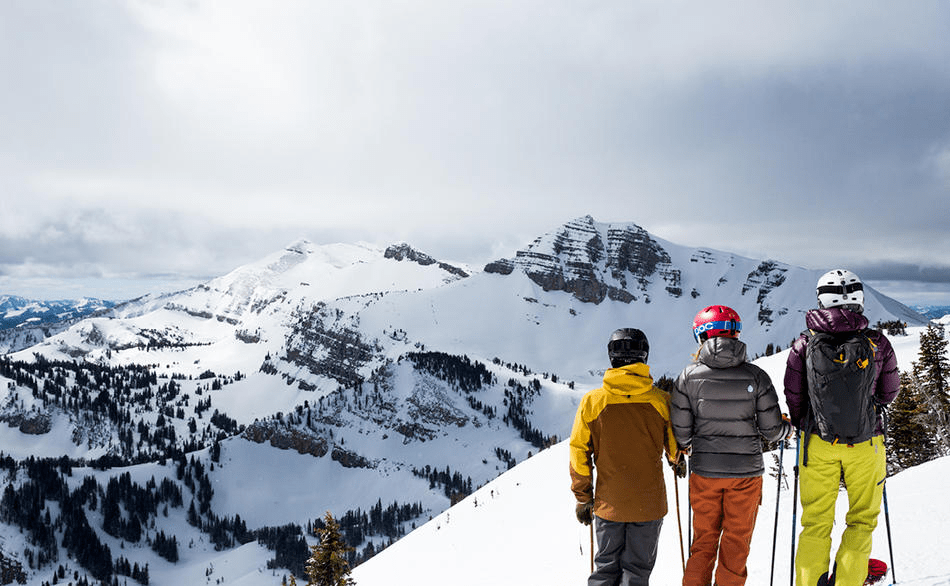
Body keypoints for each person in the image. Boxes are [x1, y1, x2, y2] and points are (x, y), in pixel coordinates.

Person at [784, 269, 900, 586]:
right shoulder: (877, 342)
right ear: (859, 299)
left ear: (822, 299)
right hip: (867, 442)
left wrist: (805, 422)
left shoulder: (804, 344)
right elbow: (889, 392)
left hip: (817, 443)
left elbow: (794, 395)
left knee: (816, 522)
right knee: (862, 520)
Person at [671, 305, 791, 586]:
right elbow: (772, 431)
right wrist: (787, 428)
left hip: (705, 473)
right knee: (736, 544)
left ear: (700, 336)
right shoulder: (756, 376)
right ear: (736, 334)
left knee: (703, 542)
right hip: (746, 474)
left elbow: (682, 434)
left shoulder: (688, 377)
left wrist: (692, 444)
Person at [570, 328, 678, 586]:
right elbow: (675, 448)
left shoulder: (592, 402)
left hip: (609, 505)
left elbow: (578, 452)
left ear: (611, 357)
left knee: (605, 570)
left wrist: (583, 497)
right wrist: (676, 460)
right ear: (644, 356)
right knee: (637, 572)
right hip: (649, 505)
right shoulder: (662, 401)